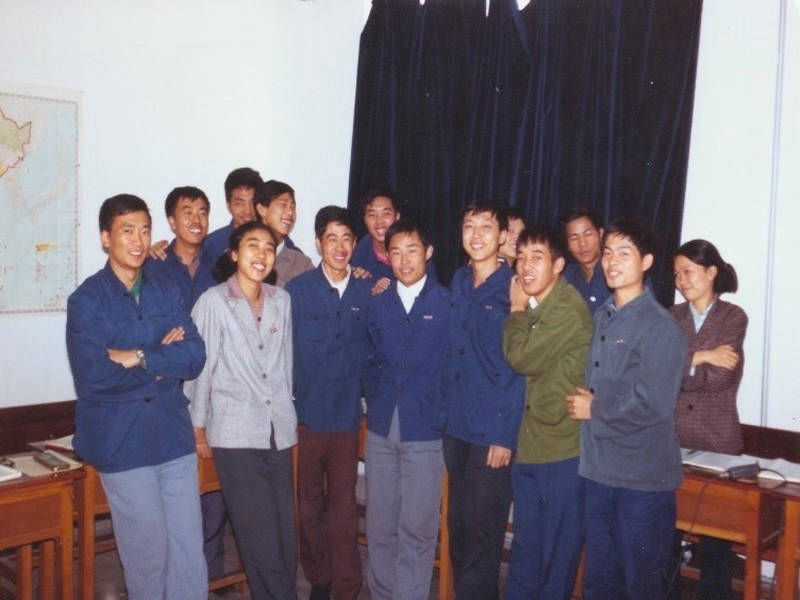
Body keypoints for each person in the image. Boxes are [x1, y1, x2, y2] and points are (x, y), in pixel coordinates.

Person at [66, 194, 207, 600]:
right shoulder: (87, 300)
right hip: (122, 442)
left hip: (173, 437)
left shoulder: (167, 289)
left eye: (145, 231)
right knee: (147, 557)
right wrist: (161, 363)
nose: (139, 241)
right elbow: (93, 377)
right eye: (127, 231)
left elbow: (194, 356)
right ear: (105, 238)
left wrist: (137, 357)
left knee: (188, 554)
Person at [567, 217, 687, 599]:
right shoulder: (603, 316)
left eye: (624, 253)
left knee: (640, 585)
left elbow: (653, 404)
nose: (612, 262)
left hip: (641, 482)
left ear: (646, 261)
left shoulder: (661, 327)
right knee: (600, 584)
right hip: (599, 472)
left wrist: (595, 409)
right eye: (608, 253)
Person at [184, 221, 298, 600]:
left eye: (268, 247)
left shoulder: (281, 300)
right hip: (234, 433)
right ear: (234, 254)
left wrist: (288, 416)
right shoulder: (214, 302)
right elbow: (201, 369)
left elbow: (286, 366)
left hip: (278, 430)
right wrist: (198, 428)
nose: (261, 254)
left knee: (284, 533)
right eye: (252, 246)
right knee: (258, 535)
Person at [285, 206, 372, 600]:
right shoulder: (297, 292)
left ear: (354, 244)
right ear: (319, 243)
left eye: (347, 239)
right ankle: (319, 578)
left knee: (343, 506)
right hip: (306, 417)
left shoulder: (367, 292)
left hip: (347, 419)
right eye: (331, 238)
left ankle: (346, 586)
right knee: (308, 506)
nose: (339, 246)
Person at [502, 225, 593, 599]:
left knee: (555, 560)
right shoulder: (540, 304)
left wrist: (515, 308)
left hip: (561, 452)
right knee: (526, 552)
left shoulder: (567, 308)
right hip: (532, 446)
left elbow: (521, 358)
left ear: (557, 265)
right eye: (521, 258)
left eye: (536, 258)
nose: (525, 267)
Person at [144, 185, 227, 580]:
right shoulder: (153, 266)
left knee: (213, 488)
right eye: (187, 211)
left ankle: (210, 574)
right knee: (172, 489)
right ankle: (170, 574)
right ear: (171, 220)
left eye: (203, 211)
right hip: (169, 391)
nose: (196, 219)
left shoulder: (221, 265)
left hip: (215, 389)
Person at [363, 219, 450, 600]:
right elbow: (367, 358)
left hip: (425, 429)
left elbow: (454, 367)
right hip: (381, 426)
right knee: (380, 524)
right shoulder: (378, 302)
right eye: (395, 252)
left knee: (417, 527)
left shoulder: (447, 303)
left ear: (428, 252)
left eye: (412, 250)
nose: (404, 260)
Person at [443, 202, 525, 600]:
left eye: (486, 227)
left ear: (503, 237)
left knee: (483, 534)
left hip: (492, 431)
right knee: (459, 530)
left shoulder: (515, 287)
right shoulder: (459, 280)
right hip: (456, 426)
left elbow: (520, 368)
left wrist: (504, 436)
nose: (476, 235)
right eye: (469, 226)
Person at [669, 239, 747, 600]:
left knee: (716, 548)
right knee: (665, 539)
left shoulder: (733, 316)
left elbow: (722, 377)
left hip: (718, 442)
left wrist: (683, 362)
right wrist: (703, 356)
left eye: (688, 271)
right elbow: (659, 371)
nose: (681, 280)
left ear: (712, 271)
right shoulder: (671, 316)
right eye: (676, 274)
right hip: (671, 441)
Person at [254, 179, 314, 287]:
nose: (290, 212)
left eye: (293, 207)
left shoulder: (302, 264)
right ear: (262, 209)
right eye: (283, 205)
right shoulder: (239, 256)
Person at [203, 167, 263, 260]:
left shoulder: (273, 239)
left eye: (253, 202)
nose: (248, 211)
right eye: (239, 203)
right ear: (228, 206)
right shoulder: (212, 244)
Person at [561, 208, 609, 313]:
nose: (582, 243)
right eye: (574, 238)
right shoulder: (565, 279)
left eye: (588, 234)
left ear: (600, 234)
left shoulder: (617, 271)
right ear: (568, 244)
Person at [351, 188, 401, 285]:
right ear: (364, 220)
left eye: (386, 214)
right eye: (372, 215)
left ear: (397, 217)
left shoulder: (413, 245)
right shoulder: (359, 254)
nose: (379, 221)